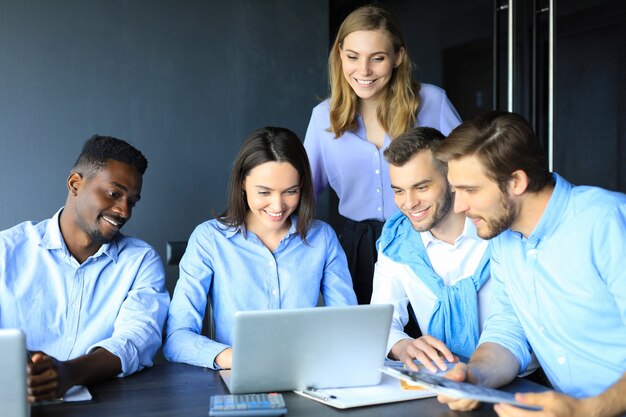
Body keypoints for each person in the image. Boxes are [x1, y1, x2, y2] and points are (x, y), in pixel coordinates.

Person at [434, 111, 626, 417]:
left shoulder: (607, 220)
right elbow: (508, 329)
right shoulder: (502, 239)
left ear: (516, 182)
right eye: (457, 191)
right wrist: (475, 377)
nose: (459, 206)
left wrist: (587, 411)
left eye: (471, 190)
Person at [304, 4, 462, 304]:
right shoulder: (323, 117)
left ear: (397, 57)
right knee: (367, 341)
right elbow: (299, 193)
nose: (363, 71)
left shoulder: (433, 101)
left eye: (377, 58)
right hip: (357, 249)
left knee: (427, 341)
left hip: (427, 239)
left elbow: (468, 173)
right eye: (352, 57)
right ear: (340, 55)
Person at [164, 127, 357, 370]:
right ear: (243, 183)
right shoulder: (209, 239)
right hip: (237, 373)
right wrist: (236, 358)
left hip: (308, 374)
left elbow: (348, 326)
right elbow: (177, 338)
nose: (278, 206)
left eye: (290, 192)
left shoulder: (323, 238)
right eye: (264, 192)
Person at [0, 135, 169, 403]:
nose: (124, 211)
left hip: (103, 405)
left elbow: (138, 338)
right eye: (114, 194)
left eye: (132, 201)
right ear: (75, 184)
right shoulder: (6, 251)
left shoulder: (140, 261)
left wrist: (69, 373)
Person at [370, 127, 491, 373]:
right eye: (399, 191)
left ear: (451, 178)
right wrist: (402, 345)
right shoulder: (397, 242)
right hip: (441, 378)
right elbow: (380, 321)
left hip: (519, 378)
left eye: (422, 187)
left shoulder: (496, 232)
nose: (409, 203)